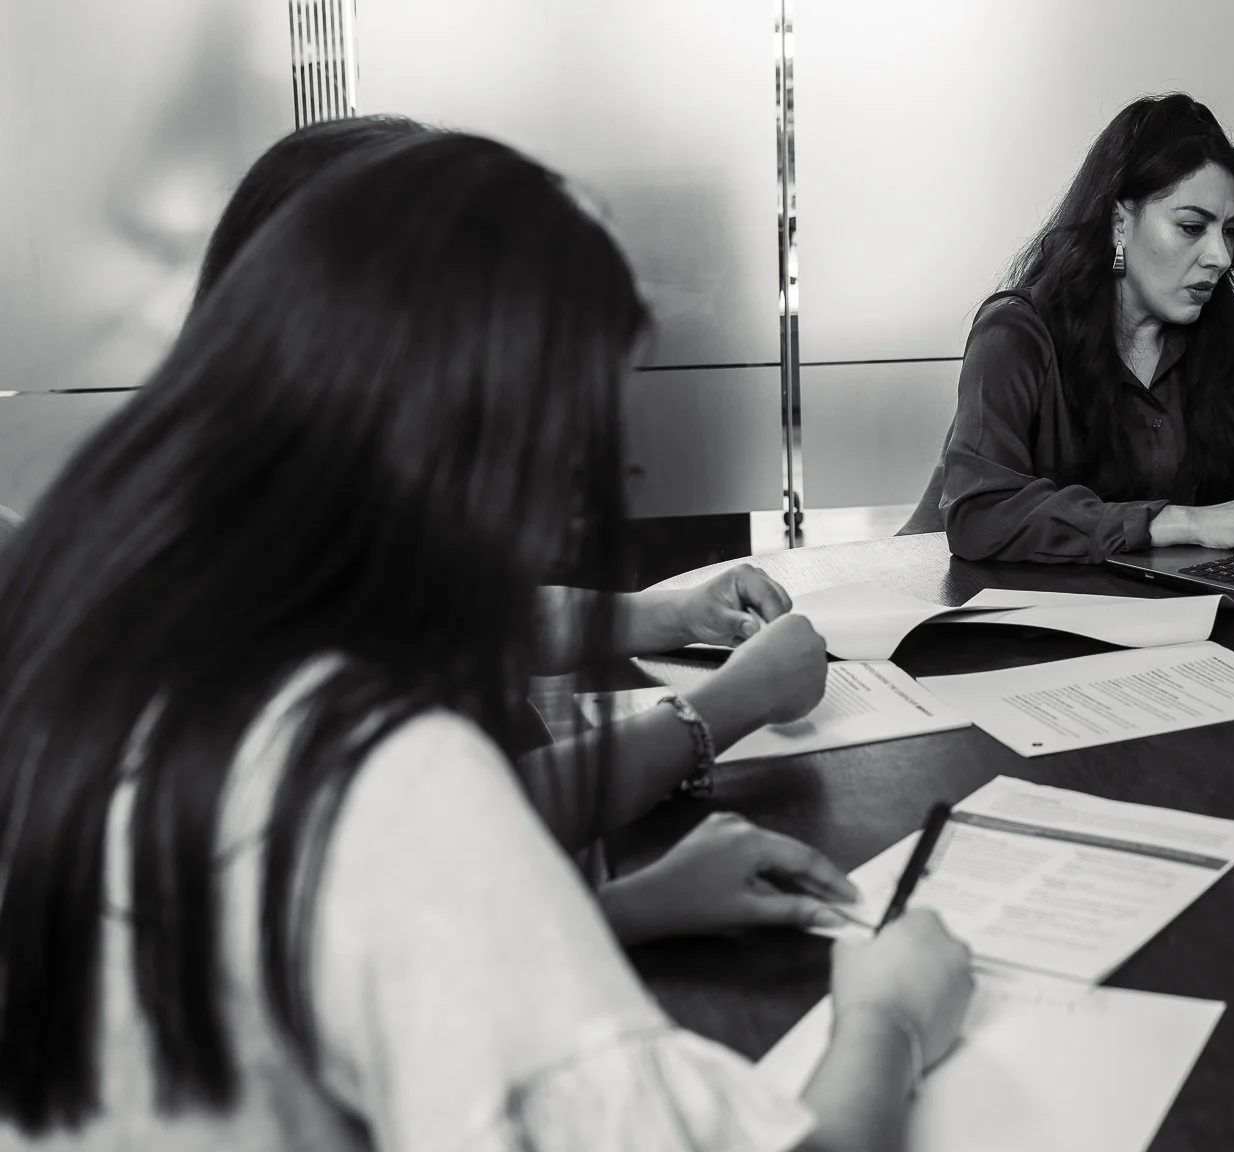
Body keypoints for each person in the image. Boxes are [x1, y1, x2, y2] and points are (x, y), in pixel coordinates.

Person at [0, 131, 973, 1152]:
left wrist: (610, 914)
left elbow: (313, 982)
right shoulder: (378, 768)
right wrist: (890, 1018)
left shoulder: (114, 616)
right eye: (576, 452)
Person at [192, 116, 846, 936]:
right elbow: (459, 841)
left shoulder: (281, 518)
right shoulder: (264, 640)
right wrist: (718, 709)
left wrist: (668, 612)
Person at [940, 92, 1234, 565]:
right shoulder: (1015, 335)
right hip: (1057, 622)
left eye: (1230, 231)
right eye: (1192, 227)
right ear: (1119, 220)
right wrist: (1184, 521)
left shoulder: (1219, 323)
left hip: (1203, 611)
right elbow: (979, 515)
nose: (1220, 257)